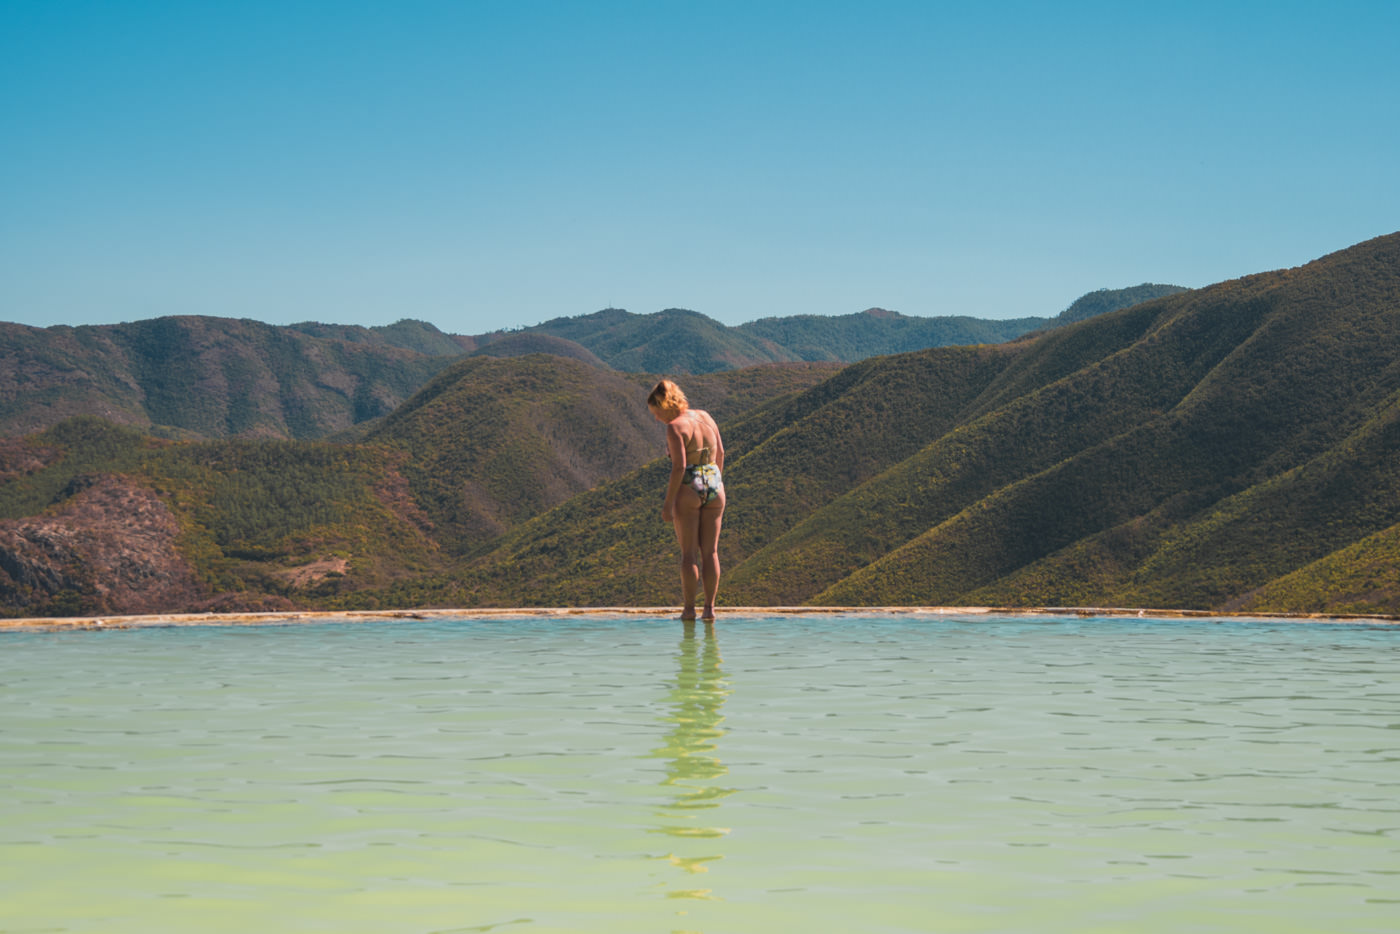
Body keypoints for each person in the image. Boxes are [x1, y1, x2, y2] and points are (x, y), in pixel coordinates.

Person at [647, 379, 726, 622]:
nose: (657, 419)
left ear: (664, 405)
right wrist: (715, 481)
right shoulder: (706, 417)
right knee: (710, 552)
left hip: (689, 484)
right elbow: (721, 453)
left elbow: (679, 466)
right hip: (714, 481)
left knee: (689, 554)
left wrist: (668, 503)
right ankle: (710, 609)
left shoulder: (675, 427)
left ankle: (689, 610)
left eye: (657, 413)